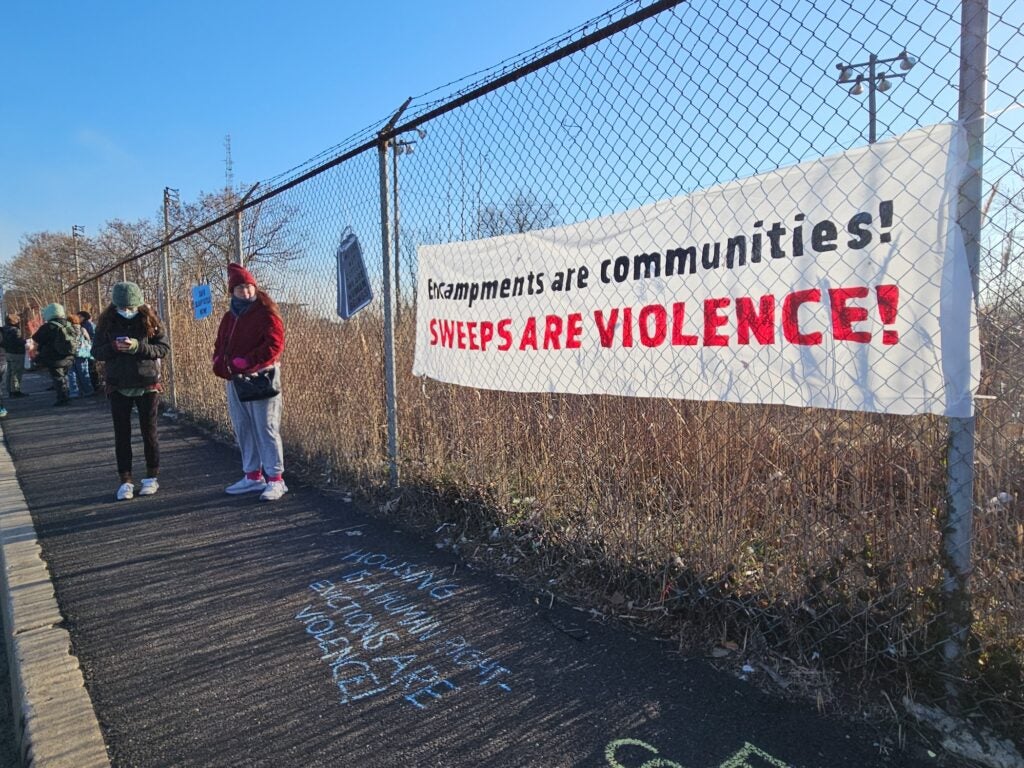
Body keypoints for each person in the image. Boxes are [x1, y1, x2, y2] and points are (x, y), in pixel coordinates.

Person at [212, 263, 287, 501]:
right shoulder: (229, 316)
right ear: (232, 292)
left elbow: (275, 345)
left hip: (261, 377)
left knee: (266, 427)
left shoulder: (266, 313)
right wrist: (218, 360)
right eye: (240, 288)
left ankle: (276, 479)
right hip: (235, 378)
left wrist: (249, 361)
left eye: (249, 287)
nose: (246, 292)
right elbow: (221, 343)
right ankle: (253, 476)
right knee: (243, 426)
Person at [92, 282, 169, 501]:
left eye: (131, 306)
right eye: (123, 307)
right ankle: (125, 480)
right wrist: (113, 348)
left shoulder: (150, 318)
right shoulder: (107, 321)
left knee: (149, 432)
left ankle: (151, 477)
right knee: (122, 434)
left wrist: (138, 346)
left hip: (147, 383)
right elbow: (96, 352)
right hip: (118, 384)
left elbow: (163, 349)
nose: (127, 311)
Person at [31, 303, 75, 406]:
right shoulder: (68, 324)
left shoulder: (48, 326)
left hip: (54, 358)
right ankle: (68, 395)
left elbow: (36, 338)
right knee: (65, 376)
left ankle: (62, 399)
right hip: (69, 356)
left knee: (58, 378)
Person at [67, 313, 94, 397]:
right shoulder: (82, 329)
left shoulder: (66, 330)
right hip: (81, 354)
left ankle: (74, 392)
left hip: (69, 354)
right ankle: (88, 390)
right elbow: (88, 340)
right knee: (84, 373)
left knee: (71, 374)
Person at [1, 314, 26, 397]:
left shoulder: (3, 329)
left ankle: (9, 390)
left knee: (10, 372)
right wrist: (25, 342)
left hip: (8, 352)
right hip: (17, 353)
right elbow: (18, 342)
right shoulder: (15, 330)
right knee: (16, 372)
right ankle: (15, 391)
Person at [77, 311, 102, 391]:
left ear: (83, 317)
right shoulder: (86, 324)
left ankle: (95, 385)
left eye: (79, 316)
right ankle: (94, 385)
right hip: (89, 348)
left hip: (90, 348)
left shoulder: (88, 324)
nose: (77, 318)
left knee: (92, 368)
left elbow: (93, 336)